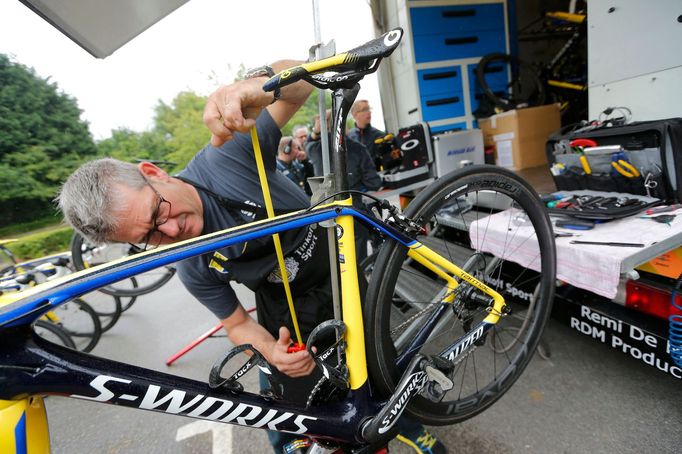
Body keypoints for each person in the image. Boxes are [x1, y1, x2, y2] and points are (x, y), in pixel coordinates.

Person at [58, 61, 445, 454]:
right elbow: (238, 323)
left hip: (337, 277)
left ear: (153, 173)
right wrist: (269, 350)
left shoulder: (226, 158)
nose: (171, 232)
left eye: (158, 212)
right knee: (286, 414)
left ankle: (414, 429)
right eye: (150, 237)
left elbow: (301, 83)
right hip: (281, 310)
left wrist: (252, 87)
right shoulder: (191, 261)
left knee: (380, 374)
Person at [305, 111, 382, 263]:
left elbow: (307, 143)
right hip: (353, 211)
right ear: (344, 124)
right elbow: (374, 183)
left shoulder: (314, 149)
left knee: (334, 259)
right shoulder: (359, 149)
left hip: (325, 214)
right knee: (357, 263)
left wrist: (315, 131)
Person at [348, 99, 386, 166]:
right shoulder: (349, 137)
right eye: (365, 109)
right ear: (354, 114)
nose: (369, 112)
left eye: (369, 109)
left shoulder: (379, 135)